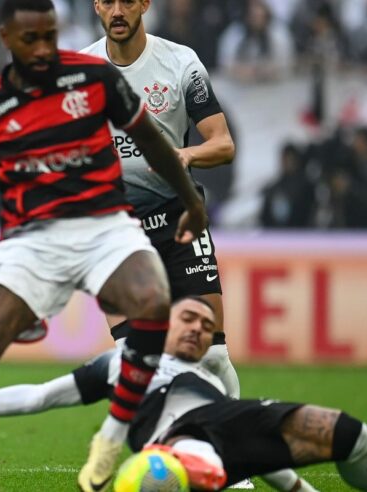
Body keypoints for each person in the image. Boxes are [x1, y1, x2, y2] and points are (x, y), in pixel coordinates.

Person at [0, 1, 208, 491]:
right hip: (32, 242)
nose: (44, 48)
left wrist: (192, 200)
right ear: (6, 37)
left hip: (105, 227)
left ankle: (111, 435)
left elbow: (152, 142)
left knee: (152, 302)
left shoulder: (95, 79)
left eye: (50, 35)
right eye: (31, 39)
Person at [0, 297, 367, 491]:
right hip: (175, 446)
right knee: (164, 473)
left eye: (207, 325)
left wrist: (296, 488)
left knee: (350, 433)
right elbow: (40, 397)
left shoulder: (212, 374)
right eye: (189, 318)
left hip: (222, 441)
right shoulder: (118, 363)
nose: (199, 330)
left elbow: (244, 436)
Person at [80, 0, 240, 409]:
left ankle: (232, 460)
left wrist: (182, 157)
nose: (118, 11)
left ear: (145, 4)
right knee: (137, 358)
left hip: (180, 222)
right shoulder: (79, 72)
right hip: (117, 234)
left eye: (128, 1)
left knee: (213, 355)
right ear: (96, 6)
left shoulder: (181, 63)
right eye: (107, 1)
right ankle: (170, 444)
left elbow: (222, 144)